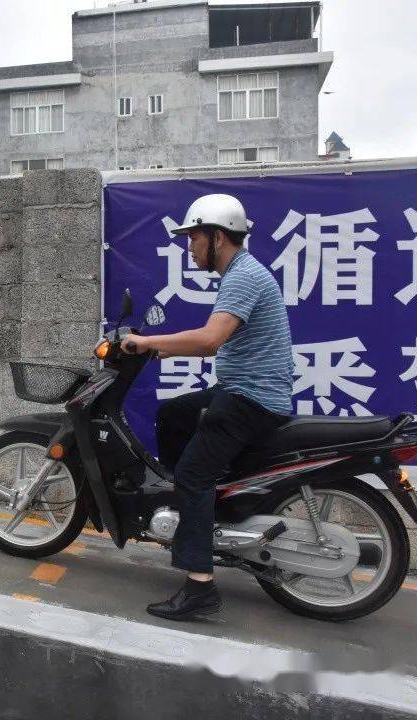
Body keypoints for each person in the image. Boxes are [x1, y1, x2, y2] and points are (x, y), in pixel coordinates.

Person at [122, 193, 294, 621]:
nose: (190, 247)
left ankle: (200, 586)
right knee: (173, 414)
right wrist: (159, 350)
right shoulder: (240, 273)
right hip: (240, 389)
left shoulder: (244, 276)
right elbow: (210, 338)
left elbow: (209, 339)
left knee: (195, 476)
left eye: (194, 238)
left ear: (218, 237)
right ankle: (193, 512)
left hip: (251, 399)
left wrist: (147, 342)